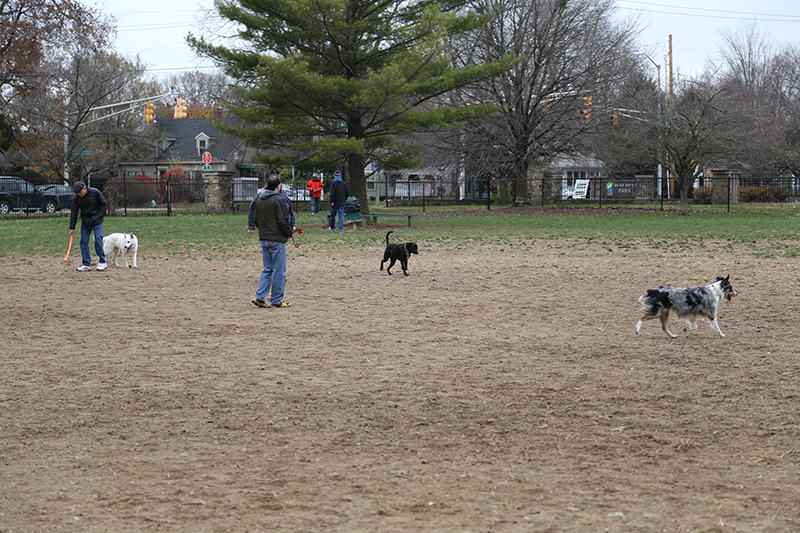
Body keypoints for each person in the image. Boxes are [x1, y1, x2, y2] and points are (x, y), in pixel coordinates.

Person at [247, 174, 295, 308]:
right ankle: (276, 300)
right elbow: (283, 220)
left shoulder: (260, 199)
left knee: (267, 269)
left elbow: (255, 218)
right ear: (278, 186)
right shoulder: (278, 200)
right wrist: (289, 232)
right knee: (279, 271)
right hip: (277, 240)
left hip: (264, 239)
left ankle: (259, 297)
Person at [69, 181, 108, 272]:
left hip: (97, 221)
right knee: (83, 241)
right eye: (77, 193)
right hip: (85, 222)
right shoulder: (76, 198)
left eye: (79, 192)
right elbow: (73, 212)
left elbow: (104, 204)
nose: (78, 194)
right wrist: (72, 227)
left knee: (98, 238)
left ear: (85, 189)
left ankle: (102, 262)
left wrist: (99, 216)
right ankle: (86, 264)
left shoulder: (95, 192)